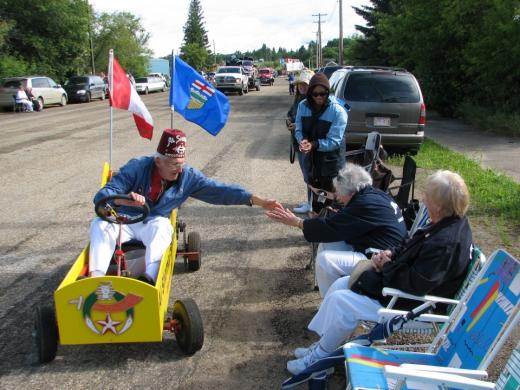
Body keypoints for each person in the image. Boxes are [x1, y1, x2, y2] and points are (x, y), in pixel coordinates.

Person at [285, 170, 473, 375]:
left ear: (439, 205)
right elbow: (409, 245)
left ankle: (321, 359)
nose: (424, 199)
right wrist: (389, 254)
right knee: (341, 285)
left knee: (343, 301)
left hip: (414, 304)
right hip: (403, 288)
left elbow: (417, 284)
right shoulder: (446, 222)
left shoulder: (445, 242)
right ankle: (325, 346)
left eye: (427, 195)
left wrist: (386, 267)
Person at [89, 128, 281, 284]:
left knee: (163, 228)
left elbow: (220, 191)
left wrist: (258, 201)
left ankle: (149, 279)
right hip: (125, 218)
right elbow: (103, 195)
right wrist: (123, 200)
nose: (179, 169)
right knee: (100, 225)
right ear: (158, 161)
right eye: (173, 164)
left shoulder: (187, 177)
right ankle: (95, 279)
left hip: (153, 221)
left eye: (181, 163)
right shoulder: (138, 166)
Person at [266, 163, 407, 297]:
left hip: (380, 258)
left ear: (351, 192)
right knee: (326, 243)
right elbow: (337, 225)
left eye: (338, 191)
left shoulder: (365, 203)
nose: (337, 196)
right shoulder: (373, 194)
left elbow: (331, 227)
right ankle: (329, 294)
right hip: (379, 248)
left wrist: (297, 222)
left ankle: (330, 301)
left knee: (324, 261)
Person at [294, 73, 348, 213]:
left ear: (328, 92)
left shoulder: (338, 111)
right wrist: (303, 141)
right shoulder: (302, 106)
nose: (319, 97)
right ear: (310, 93)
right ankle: (317, 225)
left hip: (332, 163)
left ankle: (331, 229)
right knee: (317, 201)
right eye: (315, 93)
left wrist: (313, 145)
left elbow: (334, 141)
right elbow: (299, 129)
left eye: (323, 93)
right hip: (313, 162)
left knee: (332, 204)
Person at [286, 70, 314, 213]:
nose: (302, 86)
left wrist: (297, 125)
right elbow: (290, 114)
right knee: (306, 174)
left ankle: (311, 203)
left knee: (309, 174)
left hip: (307, 143)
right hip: (298, 141)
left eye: (305, 84)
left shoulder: (312, 101)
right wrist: (289, 121)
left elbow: (313, 121)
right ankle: (310, 201)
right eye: (300, 84)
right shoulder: (299, 99)